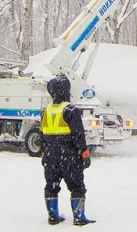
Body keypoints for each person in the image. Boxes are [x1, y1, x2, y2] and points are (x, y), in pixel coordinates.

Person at [40, 74, 95, 226]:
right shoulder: (70, 109)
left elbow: (41, 134)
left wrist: (44, 154)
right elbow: (78, 134)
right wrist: (84, 153)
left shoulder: (45, 111)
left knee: (51, 185)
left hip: (50, 154)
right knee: (76, 186)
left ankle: (53, 216)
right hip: (69, 154)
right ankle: (79, 217)